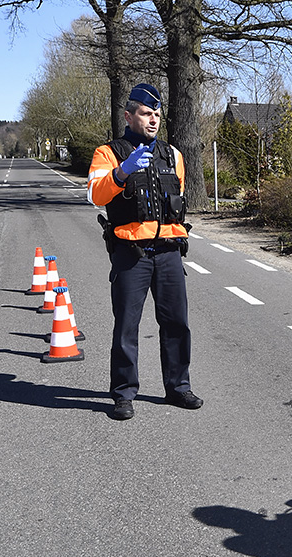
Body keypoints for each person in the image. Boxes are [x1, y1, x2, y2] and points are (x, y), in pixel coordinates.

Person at [87, 82, 201, 421]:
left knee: (177, 322)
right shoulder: (108, 153)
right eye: (145, 114)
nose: (153, 120)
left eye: (156, 114)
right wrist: (122, 172)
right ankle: (123, 394)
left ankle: (179, 387)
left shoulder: (173, 154)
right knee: (126, 325)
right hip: (130, 252)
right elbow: (95, 194)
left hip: (168, 251)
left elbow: (180, 196)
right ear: (128, 115)